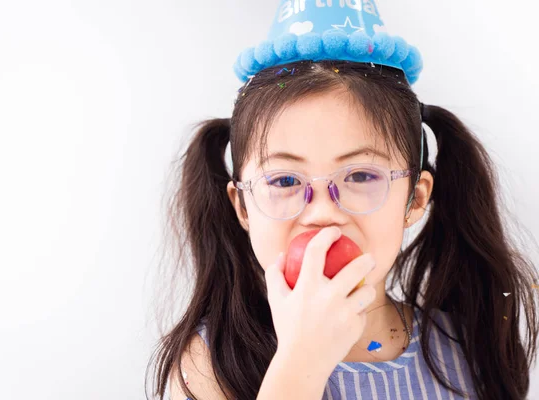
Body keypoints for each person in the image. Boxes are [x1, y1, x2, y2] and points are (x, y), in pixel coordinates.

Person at [146, 1, 539, 399]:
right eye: (284, 179)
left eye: (360, 175)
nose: (321, 213)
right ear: (243, 206)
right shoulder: (210, 363)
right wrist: (301, 362)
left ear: (415, 199)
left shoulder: (465, 351)